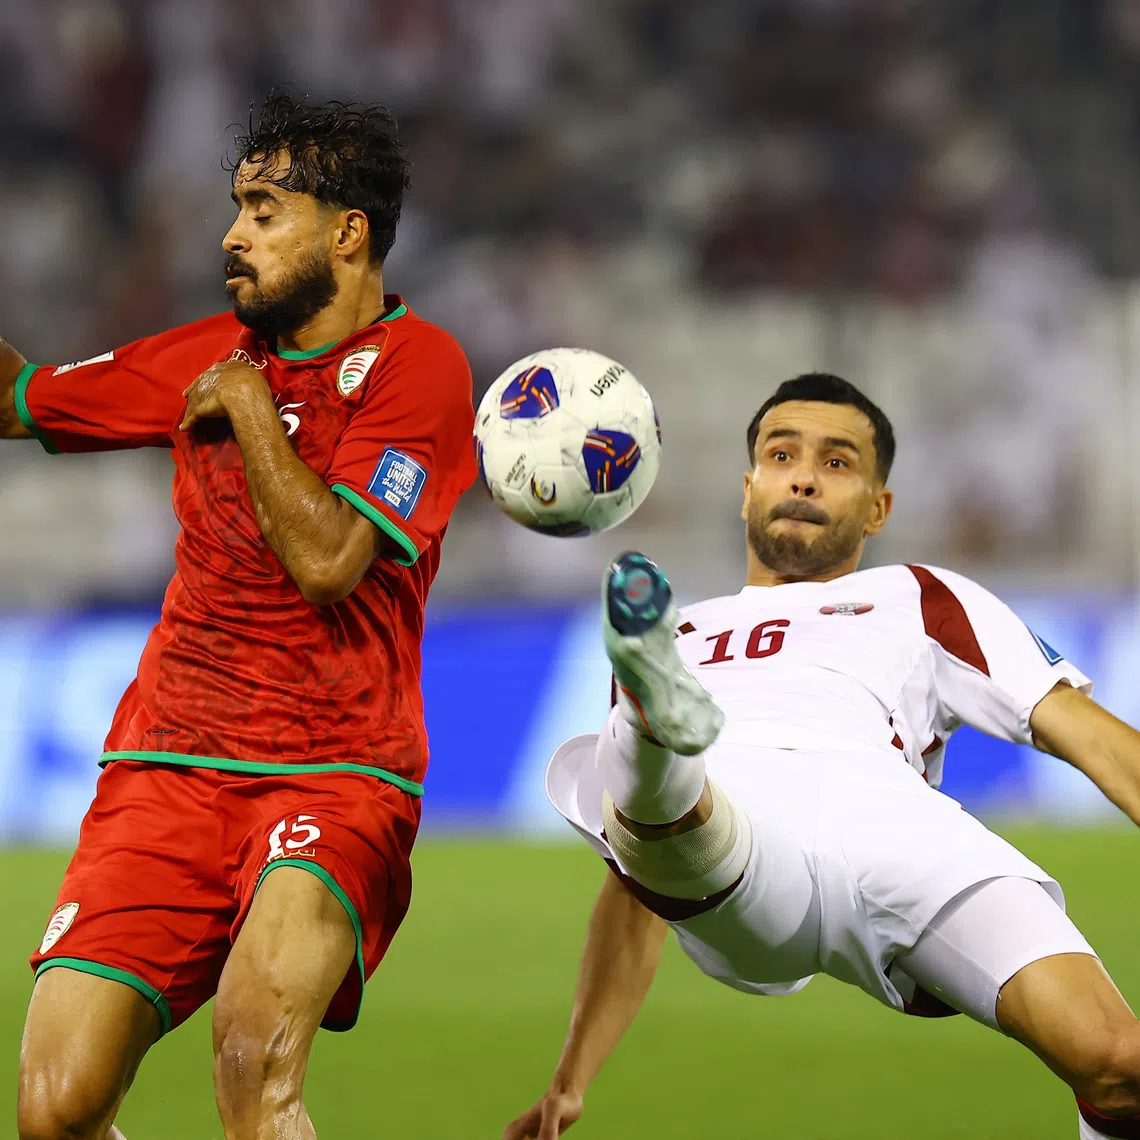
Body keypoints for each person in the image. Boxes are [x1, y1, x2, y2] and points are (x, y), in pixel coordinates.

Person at [1, 93, 475, 1140]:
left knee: (253, 1067)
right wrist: (232, 380)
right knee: (53, 1111)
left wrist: (252, 405)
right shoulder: (209, 353)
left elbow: (330, 561)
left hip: (334, 771)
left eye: (264, 212)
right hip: (166, 765)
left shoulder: (420, 368)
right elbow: (17, 399)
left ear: (346, 233)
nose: (232, 235)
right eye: (236, 209)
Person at [504, 372, 1140, 1140]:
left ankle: (655, 725)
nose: (803, 476)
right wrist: (570, 1077)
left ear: (878, 507)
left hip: (899, 830)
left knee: (1119, 1065)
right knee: (658, 797)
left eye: (837, 462)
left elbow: (1088, 735)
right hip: (744, 833)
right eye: (782, 455)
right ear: (748, 490)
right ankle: (655, 721)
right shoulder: (684, 627)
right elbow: (633, 892)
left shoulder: (920, 595)